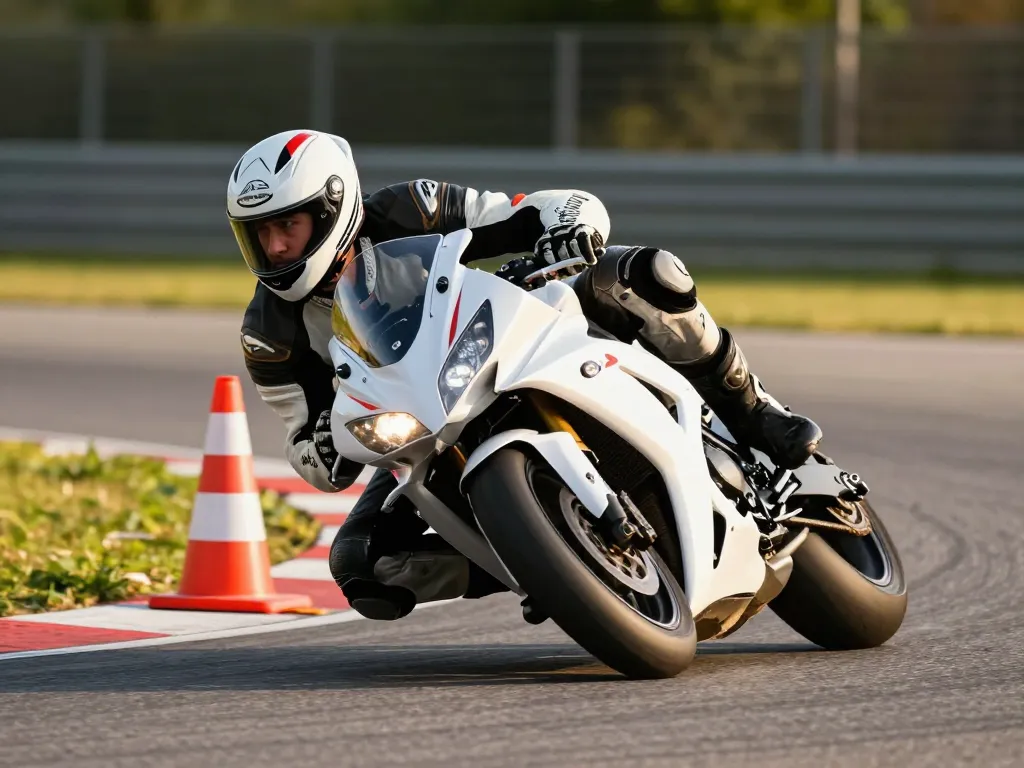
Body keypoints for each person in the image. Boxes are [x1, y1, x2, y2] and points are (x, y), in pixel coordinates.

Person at [227, 129, 822, 622]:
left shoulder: (410, 209)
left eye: (290, 225)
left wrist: (567, 222)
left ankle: (755, 409)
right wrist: (325, 448)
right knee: (364, 565)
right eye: (260, 234)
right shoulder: (269, 335)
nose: (276, 247)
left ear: (332, 208)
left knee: (648, 274)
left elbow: (518, 214)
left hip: (496, 344)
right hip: (424, 428)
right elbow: (303, 438)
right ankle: (541, 562)